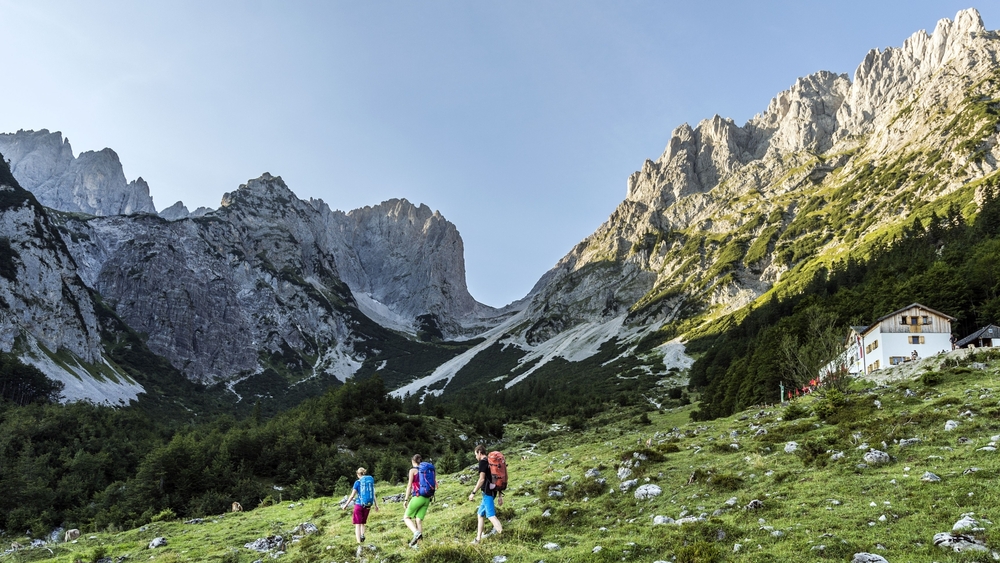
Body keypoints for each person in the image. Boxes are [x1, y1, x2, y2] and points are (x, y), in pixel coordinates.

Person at [468, 445, 503, 544]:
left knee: (491, 516)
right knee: (480, 514)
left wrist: (473, 493)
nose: (476, 457)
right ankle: (478, 539)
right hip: (492, 491)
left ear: (479, 452)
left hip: (488, 493)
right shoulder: (490, 462)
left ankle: (503, 534)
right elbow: (498, 478)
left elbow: (481, 479)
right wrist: (500, 496)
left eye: (476, 454)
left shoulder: (483, 462)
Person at [342, 467, 378, 544]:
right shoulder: (369, 482)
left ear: (358, 474)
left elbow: (352, 495)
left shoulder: (357, 483)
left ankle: (359, 542)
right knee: (362, 522)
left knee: (357, 524)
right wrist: (376, 505)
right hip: (367, 505)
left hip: (359, 505)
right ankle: (362, 535)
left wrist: (346, 505)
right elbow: (373, 494)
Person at [403, 454, 430, 547]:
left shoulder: (413, 470)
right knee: (418, 520)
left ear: (413, 461)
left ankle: (416, 533)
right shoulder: (426, 470)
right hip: (427, 498)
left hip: (418, 497)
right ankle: (419, 545)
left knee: (406, 517)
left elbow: (409, 486)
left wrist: (406, 499)